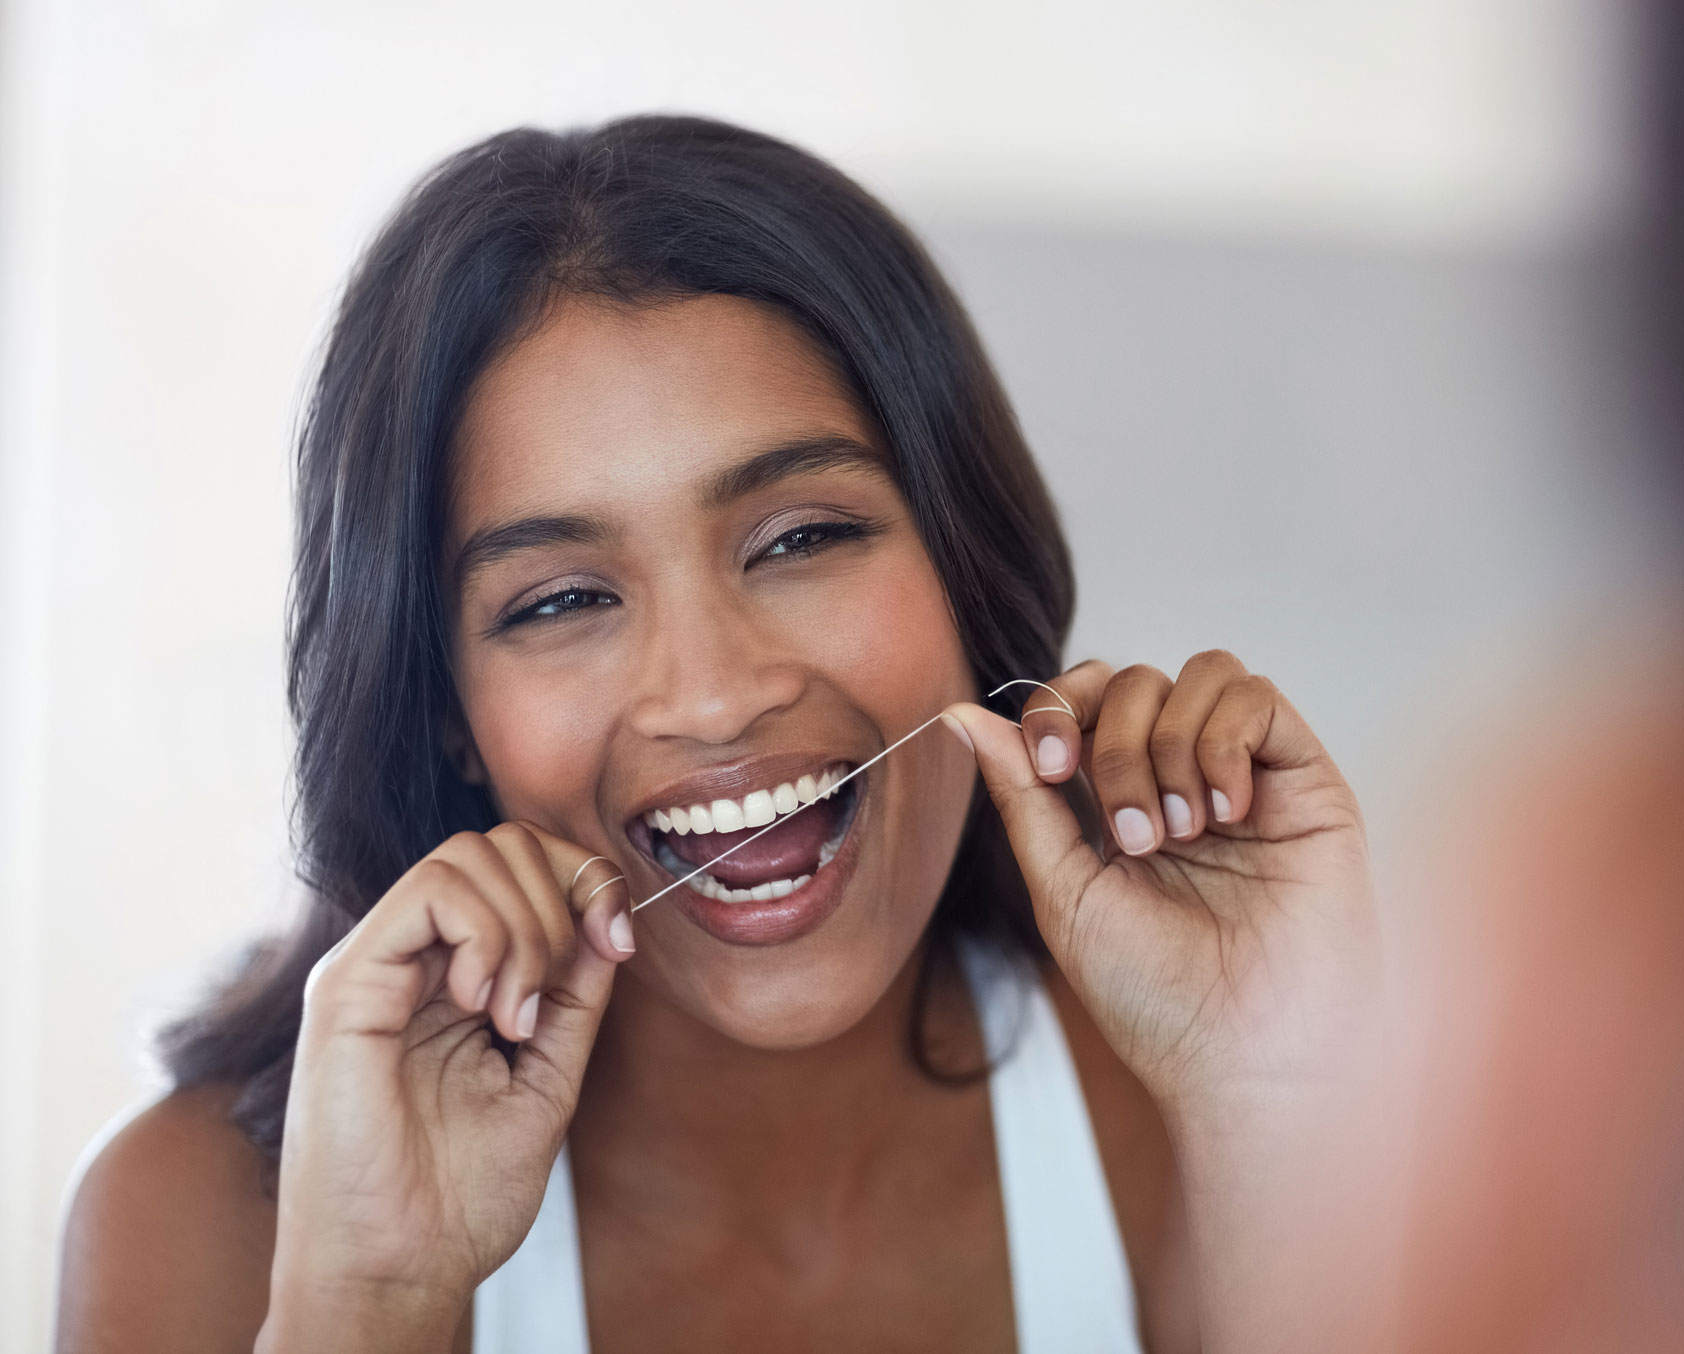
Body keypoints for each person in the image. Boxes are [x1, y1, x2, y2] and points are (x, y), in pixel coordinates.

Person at [54, 116, 1379, 1354]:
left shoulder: (1172, 1117)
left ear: (967, 582)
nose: (712, 694)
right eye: (561, 598)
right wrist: (368, 1306)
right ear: (444, 714)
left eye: (802, 537)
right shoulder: (211, 1229)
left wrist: (1279, 1113)